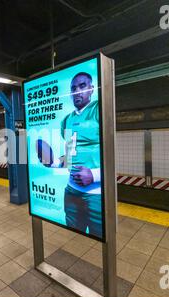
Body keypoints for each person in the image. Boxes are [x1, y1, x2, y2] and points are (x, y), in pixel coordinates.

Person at [60, 72, 102, 236]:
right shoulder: (66, 120)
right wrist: (53, 162)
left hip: (95, 196)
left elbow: (112, 154)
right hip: (71, 192)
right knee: (73, 235)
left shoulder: (99, 109)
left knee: (98, 236)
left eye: (82, 86)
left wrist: (94, 174)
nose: (77, 91)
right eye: (73, 88)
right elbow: (70, 156)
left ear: (92, 89)